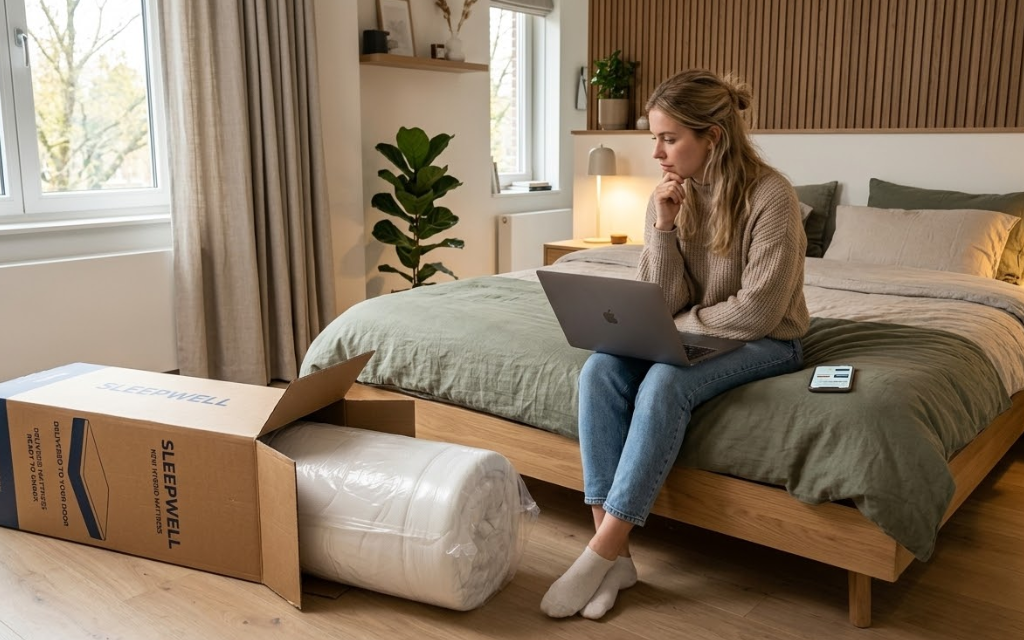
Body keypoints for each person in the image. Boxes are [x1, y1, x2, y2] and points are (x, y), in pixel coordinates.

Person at [540, 69, 810, 619]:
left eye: (669, 138)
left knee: (665, 379)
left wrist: (685, 328)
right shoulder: (666, 195)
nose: (657, 153)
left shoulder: (772, 195)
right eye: (654, 138)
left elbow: (759, 310)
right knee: (599, 369)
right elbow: (662, 299)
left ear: (712, 136)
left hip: (771, 341)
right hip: (698, 329)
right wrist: (663, 228)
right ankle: (617, 557)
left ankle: (599, 552)